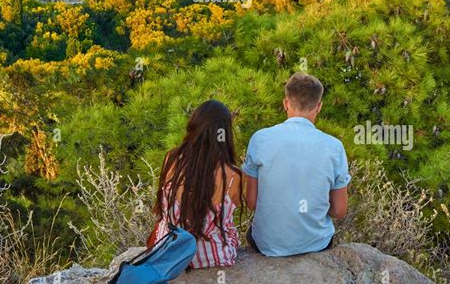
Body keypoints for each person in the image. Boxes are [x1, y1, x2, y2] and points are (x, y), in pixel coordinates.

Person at [243, 72, 350, 256]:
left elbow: (252, 202)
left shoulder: (260, 139)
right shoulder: (334, 146)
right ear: (319, 107)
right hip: (316, 243)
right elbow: (339, 210)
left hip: (267, 244)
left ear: (285, 103)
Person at [150, 100, 242, 268]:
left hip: (168, 253)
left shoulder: (171, 159)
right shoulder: (232, 175)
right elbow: (231, 211)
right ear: (225, 134)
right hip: (211, 257)